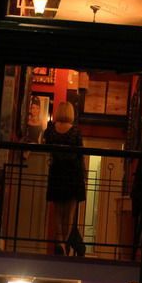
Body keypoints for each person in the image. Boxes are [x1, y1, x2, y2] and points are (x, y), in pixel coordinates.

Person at [44, 101, 86, 255]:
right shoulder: (75, 132)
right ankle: (66, 245)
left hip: (57, 172)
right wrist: (84, 173)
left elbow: (46, 147)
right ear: (70, 113)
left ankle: (60, 241)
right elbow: (80, 154)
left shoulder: (50, 131)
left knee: (58, 211)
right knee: (70, 212)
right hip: (73, 173)